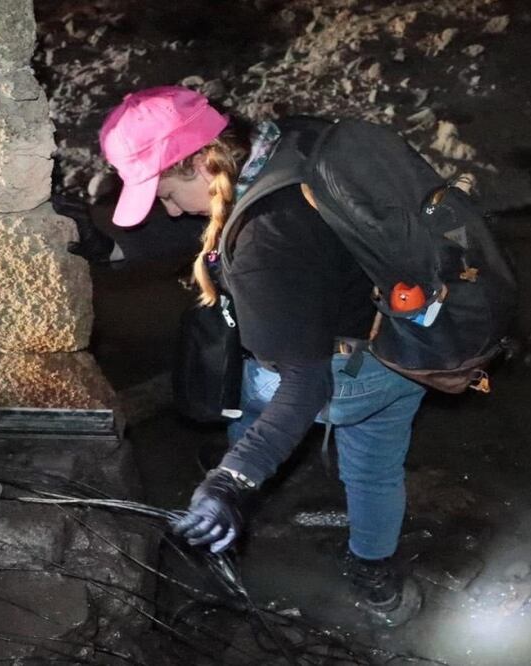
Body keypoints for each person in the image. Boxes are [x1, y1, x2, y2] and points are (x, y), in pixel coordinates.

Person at [99, 86, 426, 626]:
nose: (170, 210)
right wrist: (107, 243)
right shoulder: (288, 142)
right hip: (402, 341)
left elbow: (306, 385)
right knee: (376, 472)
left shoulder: (262, 248)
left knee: (258, 398)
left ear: (203, 165)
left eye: (165, 194)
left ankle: (235, 510)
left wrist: (234, 479)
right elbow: (217, 223)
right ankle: (379, 584)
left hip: (341, 374)